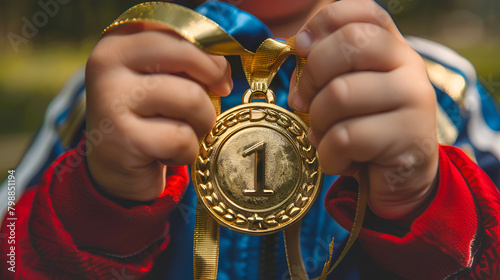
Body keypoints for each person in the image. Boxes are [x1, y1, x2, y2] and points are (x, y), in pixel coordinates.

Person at [1, 0, 499, 279]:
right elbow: (8, 254)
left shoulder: (444, 89)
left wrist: (422, 201)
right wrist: (99, 198)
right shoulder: (101, 90)